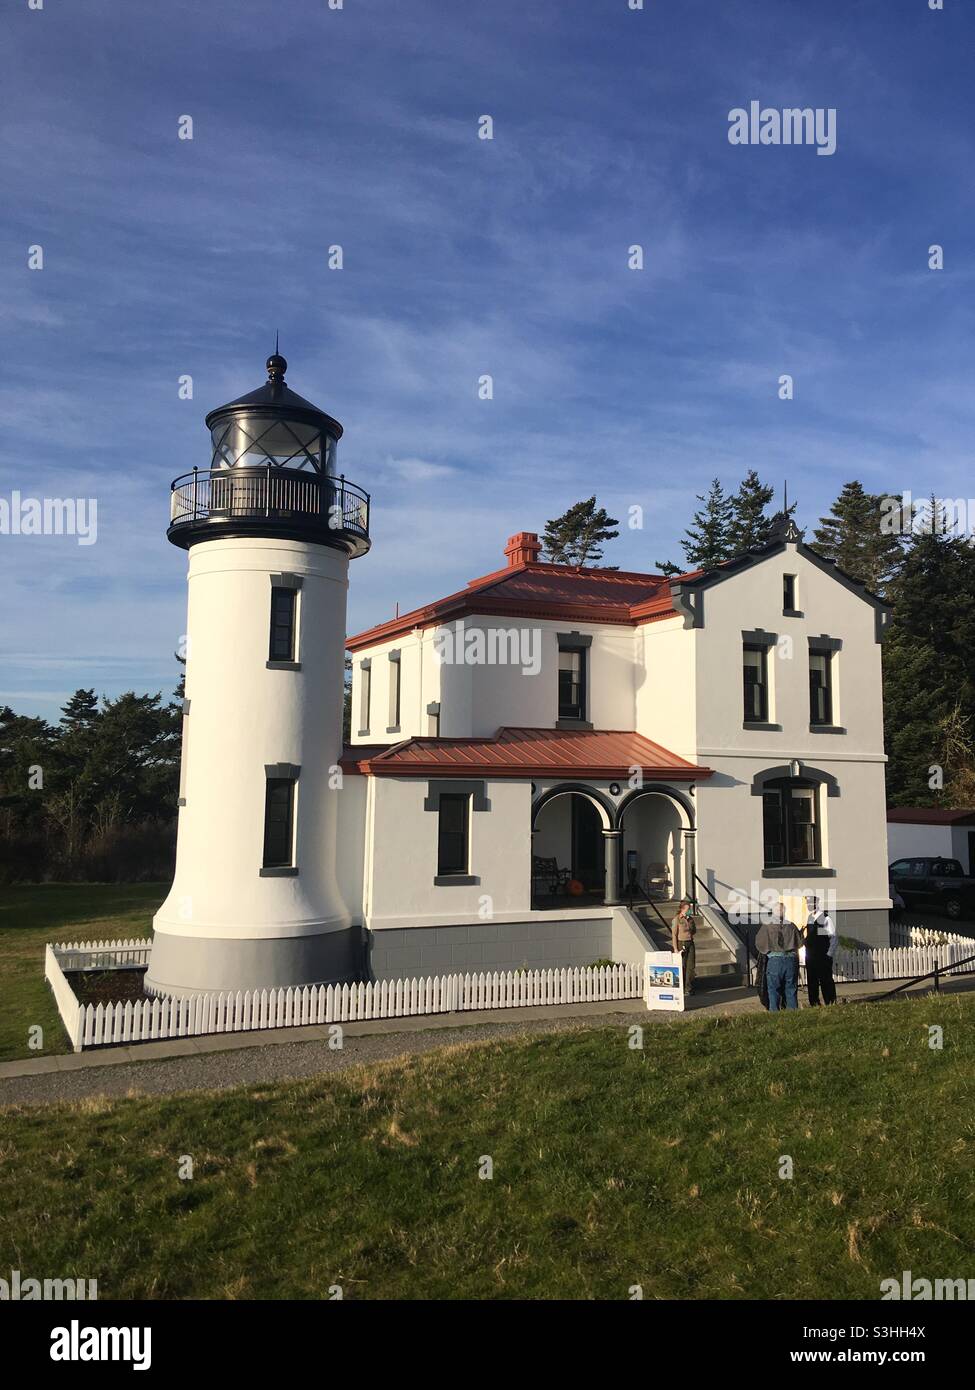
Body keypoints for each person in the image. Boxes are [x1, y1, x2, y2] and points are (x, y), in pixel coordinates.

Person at [755, 902, 802, 1011]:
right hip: (791, 960)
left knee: (773, 990)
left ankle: (774, 1014)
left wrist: (768, 951)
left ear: (773, 912)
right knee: (791, 989)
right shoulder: (791, 926)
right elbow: (800, 943)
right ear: (784, 912)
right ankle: (793, 1014)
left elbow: (759, 944)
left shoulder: (767, 926)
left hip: (775, 961)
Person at [804, 895, 838, 1006]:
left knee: (826, 980)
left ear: (816, 904)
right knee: (812, 981)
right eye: (807, 904)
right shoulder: (809, 918)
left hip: (823, 955)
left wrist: (829, 954)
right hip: (810, 956)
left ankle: (830, 1002)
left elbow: (833, 937)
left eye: (811, 903)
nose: (809, 906)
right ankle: (814, 1003)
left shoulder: (825, 918)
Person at [671, 898, 697, 996]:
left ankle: (688, 987)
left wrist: (689, 923)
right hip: (681, 942)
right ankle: (681, 987)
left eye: (689, 909)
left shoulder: (690, 919)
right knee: (683, 965)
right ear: (682, 909)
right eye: (687, 909)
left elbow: (694, 931)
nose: (689, 910)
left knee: (690, 966)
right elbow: (674, 934)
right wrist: (675, 948)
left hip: (690, 942)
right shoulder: (677, 919)